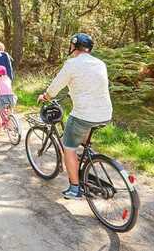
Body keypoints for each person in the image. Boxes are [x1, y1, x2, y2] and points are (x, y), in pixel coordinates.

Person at [37, 33, 112, 199]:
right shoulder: (100, 63)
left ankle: (75, 188)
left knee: (68, 148)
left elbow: (56, 85)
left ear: (73, 46)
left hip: (84, 115)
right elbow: (92, 84)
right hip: (105, 113)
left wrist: (46, 96)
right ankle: (89, 156)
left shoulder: (72, 63)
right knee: (84, 132)